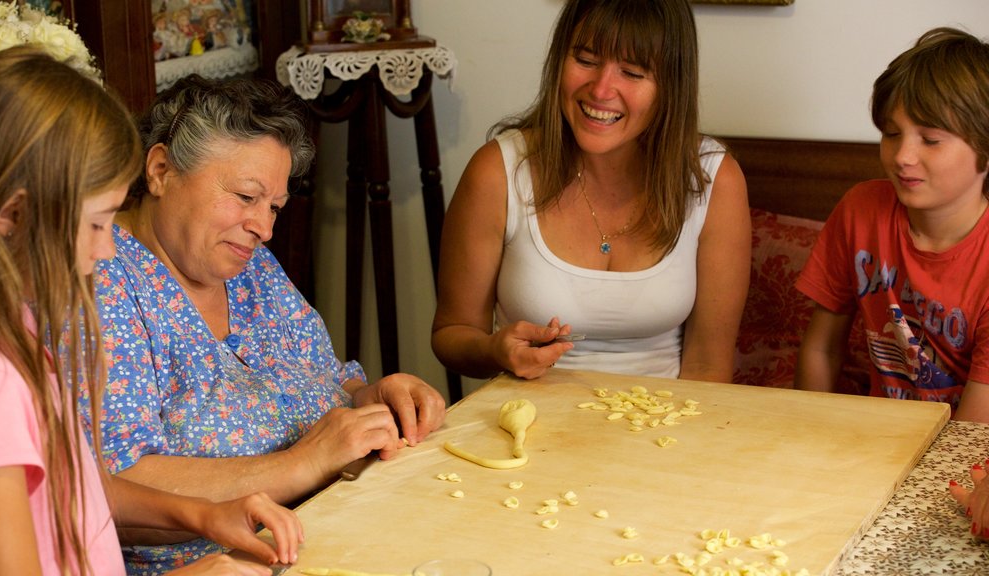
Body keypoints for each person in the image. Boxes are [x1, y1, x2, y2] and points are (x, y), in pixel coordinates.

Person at [85, 74, 446, 573]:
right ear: (162, 170)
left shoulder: (248, 264)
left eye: (274, 206)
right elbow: (105, 488)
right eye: (246, 196)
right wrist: (301, 465)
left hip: (344, 527)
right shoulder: (101, 280)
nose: (265, 228)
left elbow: (326, 375)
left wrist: (372, 399)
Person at [0, 46, 302, 576]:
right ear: (15, 215)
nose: (107, 250)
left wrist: (206, 515)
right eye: (98, 224)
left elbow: (80, 488)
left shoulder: (15, 329)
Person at [431, 0, 751, 382]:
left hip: (663, 428)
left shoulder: (714, 179)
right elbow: (452, 334)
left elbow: (707, 367)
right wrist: (494, 350)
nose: (601, 90)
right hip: (526, 427)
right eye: (585, 59)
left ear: (671, 86)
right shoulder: (497, 170)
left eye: (632, 72)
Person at [793, 28, 989, 424]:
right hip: (879, 440)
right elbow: (822, 350)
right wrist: (809, 439)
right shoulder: (861, 209)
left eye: (930, 140)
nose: (903, 156)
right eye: (891, 134)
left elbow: (974, 432)